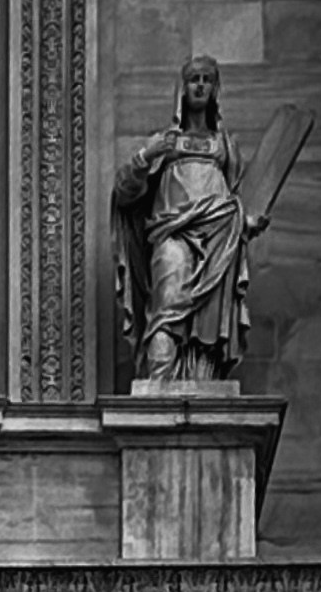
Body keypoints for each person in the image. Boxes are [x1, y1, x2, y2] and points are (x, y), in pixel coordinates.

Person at [111, 52, 264, 388]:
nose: (200, 85)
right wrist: (146, 156)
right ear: (181, 89)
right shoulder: (164, 142)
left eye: (207, 79)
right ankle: (158, 386)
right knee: (167, 305)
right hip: (172, 233)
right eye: (193, 79)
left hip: (219, 238)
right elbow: (124, 192)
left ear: (215, 89)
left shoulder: (226, 145)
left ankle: (201, 381)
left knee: (209, 316)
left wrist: (246, 224)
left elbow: (237, 199)